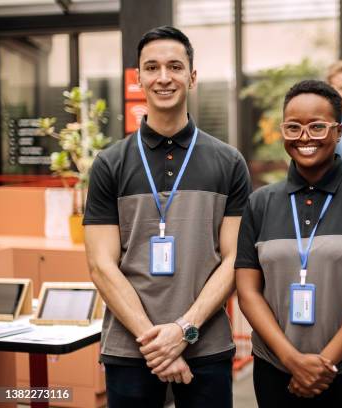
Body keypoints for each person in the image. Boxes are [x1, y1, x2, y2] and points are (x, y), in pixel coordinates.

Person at [83, 26, 251, 407]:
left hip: (205, 346)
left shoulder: (228, 162)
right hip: (130, 348)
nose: (163, 77)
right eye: (152, 67)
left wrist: (183, 330)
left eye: (175, 67)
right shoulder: (110, 164)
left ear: (192, 77)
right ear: (138, 77)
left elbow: (234, 260)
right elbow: (100, 264)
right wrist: (157, 342)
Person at [235, 79, 342, 408]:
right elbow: (248, 291)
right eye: (294, 127)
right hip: (277, 370)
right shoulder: (261, 203)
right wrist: (293, 360)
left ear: (338, 131)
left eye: (317, 126)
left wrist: (323, 363)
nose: (305, 137)